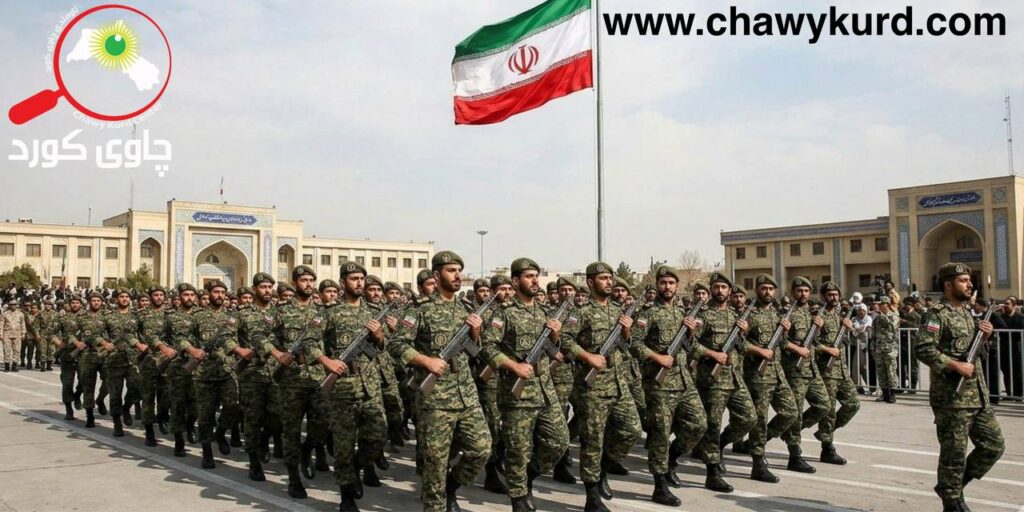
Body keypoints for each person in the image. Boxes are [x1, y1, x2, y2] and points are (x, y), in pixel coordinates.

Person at [389, 251, 491, 512]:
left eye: (459, 271)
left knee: (481, 449)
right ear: (436, 275)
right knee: (435, 463)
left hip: (466, 395)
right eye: (451, 270)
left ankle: (451, 487)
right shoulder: (419, 309)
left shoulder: (466, 309)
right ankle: (435, 505)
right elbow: (397, 344)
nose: (457, 275)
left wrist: (476, 333)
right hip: (435, 399)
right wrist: (426, 361)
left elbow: (474, 352)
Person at [480, 257, 569, 512]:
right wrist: (513, 366)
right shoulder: (504, 313)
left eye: (536, 276)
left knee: (559, 441)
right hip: (517, 394)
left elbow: (553, 349)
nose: (535, 281)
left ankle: (527, 476)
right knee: (518, 449)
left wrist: (556, 336)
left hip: (545, 390)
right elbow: (488, 347)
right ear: (516, 281)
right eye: (529, 276)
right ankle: (519, 499)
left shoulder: (544, 312)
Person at [914, 262, 1005, 512]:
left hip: (977, 396)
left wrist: (986, 336)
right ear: (948, 285)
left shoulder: (966, 312)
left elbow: (973, 351)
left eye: (969, 280)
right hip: (952, 398)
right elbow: (923, 348)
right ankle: (951, 501)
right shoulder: (937, 314)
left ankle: (951, 486)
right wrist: (955, 365)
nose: (970, 285)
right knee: (954, 454)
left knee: (993, 446)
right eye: (963, 281)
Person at [560, 261, 641, 512]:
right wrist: (587, 356)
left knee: (632, 430)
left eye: (610, 278)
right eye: (603, 278)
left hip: (618, 383)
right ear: (590, 282)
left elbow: (628, 346)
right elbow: (564, 340)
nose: (609, 282)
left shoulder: (618, 310)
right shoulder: (581, 312)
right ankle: (592, 497)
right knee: (592, 441)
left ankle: (602, 469)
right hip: (592, 387)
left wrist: (626, 333)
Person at [630, 265, 707, 506]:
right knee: (660, 434)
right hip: (659, 384)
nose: (667, 287)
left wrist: (691, 334)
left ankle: (672, 458)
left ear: (677, 286)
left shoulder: (683, 313)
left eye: (671, 283)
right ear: (657, 285)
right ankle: (659, 485)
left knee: (698, 424)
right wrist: (657, 357)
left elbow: (691, 348)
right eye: (663, 283)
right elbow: (634, 344)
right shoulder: (647, 314)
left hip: (684, 381)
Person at [322, 262, 387, 511]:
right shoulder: (330, 312)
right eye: (354, 279)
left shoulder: (373, 312)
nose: (359, 283)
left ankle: (355, 468)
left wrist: (379, 335)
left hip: (370, 386)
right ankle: (346, 496)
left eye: (362, 278)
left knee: (377, 436)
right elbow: (310, 342)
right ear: (342, 283)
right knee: (344, 445)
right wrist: (327, 361)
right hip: (343, 388)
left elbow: (383, 346)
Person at [684, 272, 756, 493]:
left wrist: (743, 334)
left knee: (749, 417)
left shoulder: (736, 315)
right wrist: (712, 354)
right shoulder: (702, 317)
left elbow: (741, 347)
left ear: (730, 291)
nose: (719, 291)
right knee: (713, 425)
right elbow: (690, 344)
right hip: (712, 379)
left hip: (734, 377)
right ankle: (712, 472)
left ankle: (720, 444)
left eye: (723, 287)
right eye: (716, 287)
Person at [739, 274, 797, 484]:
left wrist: (786, 332)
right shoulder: (748, 315)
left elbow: (781, 343)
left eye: (771, 289)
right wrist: (759, 351)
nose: (767, 292)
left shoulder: (777, 314)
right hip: (758, 375)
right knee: (760, 419)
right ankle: (758, 462)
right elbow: (738, 343)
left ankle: (754, 443)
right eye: (763, 288)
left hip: (777, 373)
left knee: (790, 412)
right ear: (757, 290)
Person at [779, 277, 830, 473]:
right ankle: (795, 454)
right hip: (795, 369)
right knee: (797, 412)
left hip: (811, 369)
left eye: (806, 291)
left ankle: (789, 431)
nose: (803, 294)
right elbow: (780, 341)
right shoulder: (787, 314)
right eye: (799, 290)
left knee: (824, 405)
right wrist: (797, 349)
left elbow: (816, 343)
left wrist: (819, 327)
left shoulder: (812, 313)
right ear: (793, 293)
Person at [813, 282, 860, 465]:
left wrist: (848, 327)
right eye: (830, 294)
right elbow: (811, 344)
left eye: (836, 294)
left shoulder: (840, 315)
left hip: (842, 369)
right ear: (823, 296)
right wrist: (827, 349)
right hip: (827, 370)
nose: (833, 297)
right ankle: (827, 448)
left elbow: (847, 341)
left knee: (853, 404)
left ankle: (825, 432)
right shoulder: (818, 317)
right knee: (829, 410)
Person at [872, 297, 900, 404]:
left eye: (882, 304)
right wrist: (873, 347)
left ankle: (892, 394)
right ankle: (884, 394)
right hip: (879, 349)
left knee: (891, 371)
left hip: (890, 349)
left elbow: (892, 326)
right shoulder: (877, 319)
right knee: (881, 372)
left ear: (887, 305)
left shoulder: (894, 316)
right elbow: (873, 334)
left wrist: (884, 316)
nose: (879, 306)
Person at [1, 299, 26, 372]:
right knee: (7, 350)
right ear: (9, 305)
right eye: (11, 305)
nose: (13, 306)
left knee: (17, 350)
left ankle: (14, 366)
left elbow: (23, 324)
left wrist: (23, 333)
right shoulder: (4, 314)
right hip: (7, 334)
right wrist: (0, 334)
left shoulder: (20, 314)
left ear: (16, 305)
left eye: (14, 305)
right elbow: (1, 324)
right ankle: (7, 366)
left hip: (17, 334)